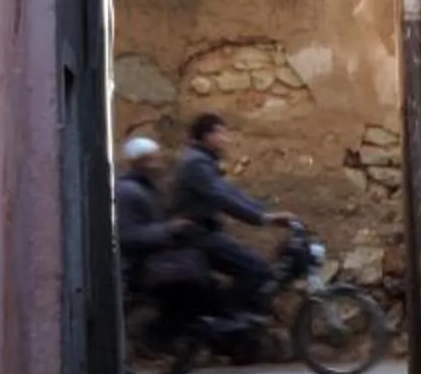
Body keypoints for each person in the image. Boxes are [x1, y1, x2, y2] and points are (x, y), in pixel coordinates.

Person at [170, 113, 292, 319]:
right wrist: (263, 219)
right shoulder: (195, 164)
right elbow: (222, 198)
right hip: (195, 235)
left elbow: (231, 193)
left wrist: (264, 211)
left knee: (254, 266)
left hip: (202, 232)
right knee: (256, 269)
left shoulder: (202, 161)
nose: (226, 139)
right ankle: (224, 320)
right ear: (206, 135)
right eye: (220, 133)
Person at [116, 135, 216, 326]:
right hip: (137, 264)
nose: (161, 163)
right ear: (141, 162)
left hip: (152, 257)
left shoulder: (146, 189)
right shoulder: (128, 191)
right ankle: (164, 333)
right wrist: (167, 229)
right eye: (155, 159)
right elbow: (126, 235)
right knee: (191, 275)